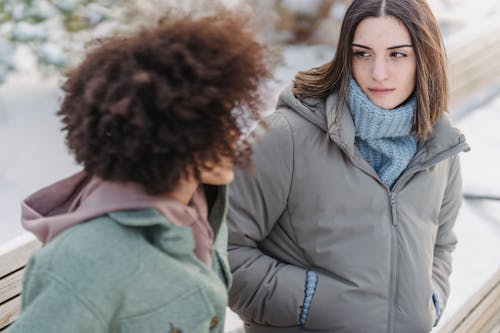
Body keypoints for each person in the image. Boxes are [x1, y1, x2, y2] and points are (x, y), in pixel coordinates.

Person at [9, 9, 272, 333]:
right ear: (169, 136)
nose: (235, 134)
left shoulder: (198, 210)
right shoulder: (82, 261)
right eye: (218, 123)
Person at [227, 0, 470, 332]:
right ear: (345, 56)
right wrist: (310, 300)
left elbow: (441, 242)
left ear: (424, 57)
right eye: (363, 54)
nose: (378, 73)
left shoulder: (438, 143)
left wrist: (431, 300)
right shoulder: (287, 138)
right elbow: (222, 249)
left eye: (397, 54)